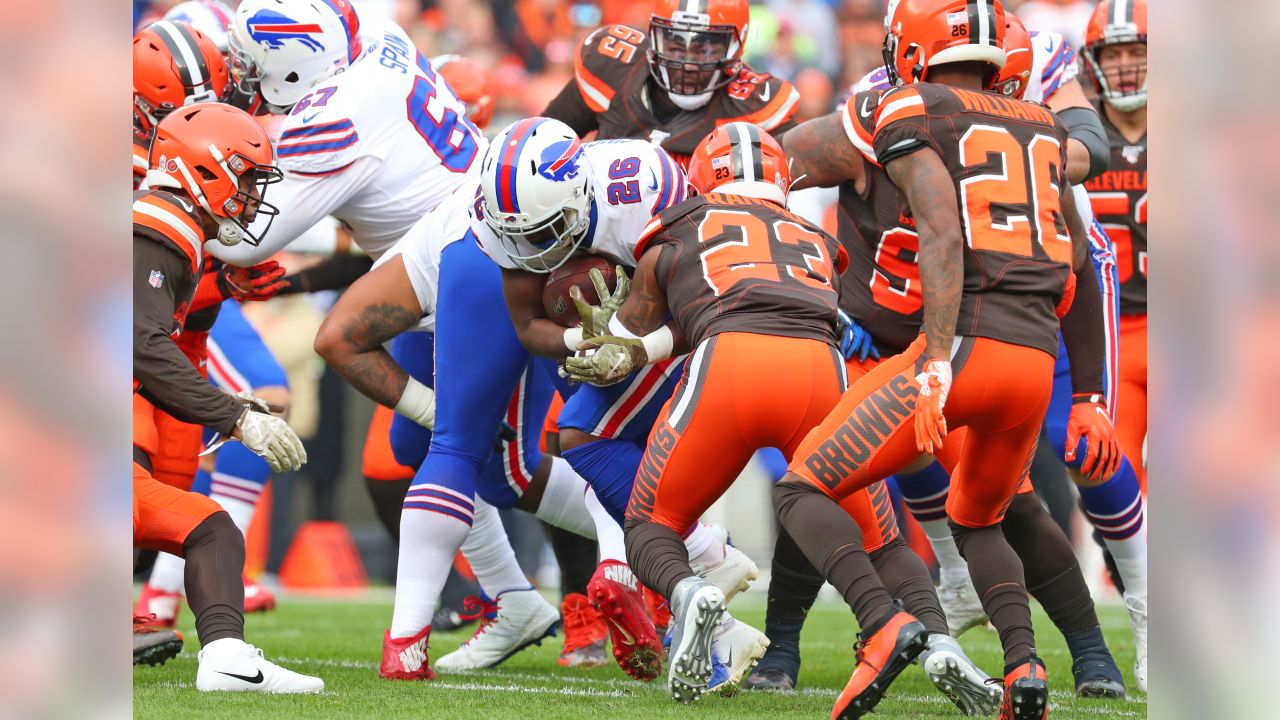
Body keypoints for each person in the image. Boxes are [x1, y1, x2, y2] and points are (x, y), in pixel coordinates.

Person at [770, 0, 1121, 717]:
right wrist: (1088, 393)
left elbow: (780, 165)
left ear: (907, 50)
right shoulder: (1041, 131)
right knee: (991, 510)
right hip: (1009, 356)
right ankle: (1032, 663)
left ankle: (879, 630)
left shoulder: (893, 109)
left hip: (938, 353)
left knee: (809, 486)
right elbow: (1083, 251)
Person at [468, 118, 765, 686]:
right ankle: (705, 596)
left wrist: (632, 340)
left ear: (580, 193)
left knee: (586, 434)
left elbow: (703, 301)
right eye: (522, 236)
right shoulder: (504, 215)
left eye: (545, 232)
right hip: (621, 341)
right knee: (600, 441)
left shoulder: (642, 189)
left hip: (691, 327)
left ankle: (694, 564)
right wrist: (587, 339)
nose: (534, 249)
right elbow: (529, 324)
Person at [133, 101, 319, 693]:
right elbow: (140, 344)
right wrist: (234, 414)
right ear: (205, 170)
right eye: (244, 178)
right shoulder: (158, 226)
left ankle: (227, 659)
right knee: (199, 521)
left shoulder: (171, 229)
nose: (250, 196)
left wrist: (217, 285)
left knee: (210, 523)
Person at [1080, 0, 1148, 691]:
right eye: (1115, 53)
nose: (1126, 66)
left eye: (1139, 51)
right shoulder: (1082, 135)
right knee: (1107, 476)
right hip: (1114, 334)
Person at [543, 0, 800, 168]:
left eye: (705, 49)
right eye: (676, 45)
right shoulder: (611, 66)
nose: (688, 64)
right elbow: (539, 142)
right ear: (654, 38)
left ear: (736, 46)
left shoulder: (754, 104)